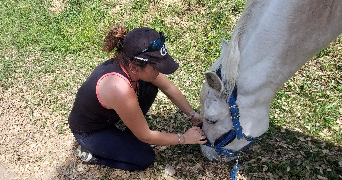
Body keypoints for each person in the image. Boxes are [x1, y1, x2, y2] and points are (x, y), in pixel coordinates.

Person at [68, 25, 207, 171]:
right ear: (134, 67)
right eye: (155, 67)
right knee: (144, 157)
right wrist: (184, 138)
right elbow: (146, 136)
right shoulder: (119, 88)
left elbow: (168, 88)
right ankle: (92, 155)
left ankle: (129, 132)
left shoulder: (130, 62)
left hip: (110, 114)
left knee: (151, 84)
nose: (159, 71)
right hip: (91, 131)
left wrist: (192, 115)